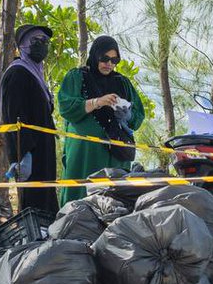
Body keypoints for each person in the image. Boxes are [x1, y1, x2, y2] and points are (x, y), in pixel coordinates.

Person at [57, 35, 146, 205]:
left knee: (114, 202)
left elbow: (138, 116)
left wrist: (127, 115)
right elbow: (66, 106)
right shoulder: (77, 76)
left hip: (116, 154)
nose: (109, 64)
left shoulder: (123, 82)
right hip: (85, 154)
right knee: (78, 199)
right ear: (95, 55)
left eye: (114, 60)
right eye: (104, 58)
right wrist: (97, 102)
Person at [0, 23, 59, 217]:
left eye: (44, 41)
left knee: (46, 199)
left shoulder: (35, 73)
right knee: (34, 202)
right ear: (22, 44)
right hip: (30, 151)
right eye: (35, 40)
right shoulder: (17, 73)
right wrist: (21, 154)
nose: (41, 44)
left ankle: (46, 231)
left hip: (43, 148)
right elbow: (12, 115)